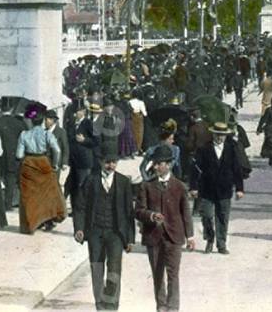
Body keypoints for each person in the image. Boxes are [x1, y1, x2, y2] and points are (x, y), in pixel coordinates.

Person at [135, 145, 195, 312]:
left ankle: (173, 307)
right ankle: (161, 306)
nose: (155, 167)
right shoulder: (146, 186)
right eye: (154, 163)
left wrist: (190, 237)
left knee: (173, 274)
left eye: (158, 163)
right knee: (157, 274)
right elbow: (138, 211)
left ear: (168, 165)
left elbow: (186, 213)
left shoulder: (180, 186)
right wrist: (151, 216)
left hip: (174, 236)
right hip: (153, 237)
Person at [73, 154, 136, 311]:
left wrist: (129, 239)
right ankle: (100, 304)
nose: (111, 166)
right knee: (97, 268)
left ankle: (112, 305)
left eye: (114, 162)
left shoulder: (123, 182)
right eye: (107, 162)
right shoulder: (91, 180)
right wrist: (79, 229)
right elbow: (79, 206)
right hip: (95, 232)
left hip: (116, 233)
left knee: (114, 270)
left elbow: (129, 212)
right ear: (101, 162)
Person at [189, 121, 245, 254]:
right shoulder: (204, 149)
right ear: (213, 134)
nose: (220, 137)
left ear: (226, 136)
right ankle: (209, 239)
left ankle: (221, 244)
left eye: (222, 135)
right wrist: (193, 187)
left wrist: (239, 188)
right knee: (207, 215)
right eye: (217, 134)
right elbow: (195, 169)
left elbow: (237, 169)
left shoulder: (232, 149)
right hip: (207, 189)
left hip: (225, 189)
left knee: (222, 217)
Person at [15, 110, 66, 234]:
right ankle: (47, 219)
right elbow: (57, 150)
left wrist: (25, 159)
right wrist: (54, 165)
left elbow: (19, 154)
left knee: (30, 195)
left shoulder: (24, 134)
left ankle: (31, 223)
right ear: (42, 121)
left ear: (31, 122)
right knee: (47, 193)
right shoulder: (47, 134)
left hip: (29, 163)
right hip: (43, 162)